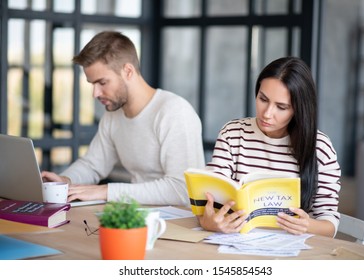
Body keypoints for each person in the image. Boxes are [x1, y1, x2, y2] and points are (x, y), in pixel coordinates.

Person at [41, 31, 205, 206]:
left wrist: (106, 191)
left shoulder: (174, 112)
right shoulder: (113, 115)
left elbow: (183, 189)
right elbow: (93, 165)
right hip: (137, 215)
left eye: (102, 83)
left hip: (180, 225)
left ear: (128, 71)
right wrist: (66, 180)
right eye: (92, 84)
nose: (95, 93)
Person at [199, 56, 341, 237]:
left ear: (299, 109)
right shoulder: (232, 134)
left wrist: (307, 225)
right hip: (237, 242)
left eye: (281, 107)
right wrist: (210, 221)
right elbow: (211, 201)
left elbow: (329, 224)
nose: (267, 113)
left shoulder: (319, 148)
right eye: (263, 99)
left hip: (294, 250)